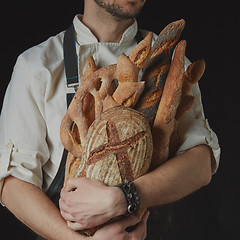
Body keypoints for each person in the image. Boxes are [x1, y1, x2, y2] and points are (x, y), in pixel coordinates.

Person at [0, 0, 220, 239]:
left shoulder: (170, 63)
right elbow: (13, 184)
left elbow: (201, 163)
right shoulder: (36, 67)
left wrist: (123, 198)